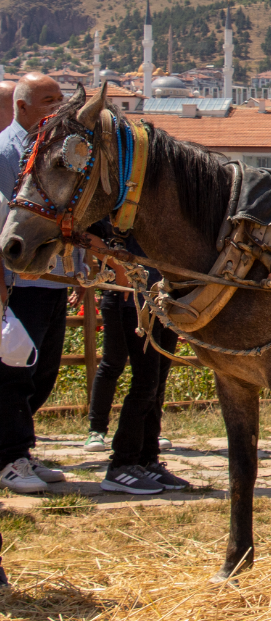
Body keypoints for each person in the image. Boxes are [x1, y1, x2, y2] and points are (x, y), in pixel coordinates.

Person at [0, 73, 71, 494]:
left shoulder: (50, 151)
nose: (57, 107)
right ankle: (9, 458)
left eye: (60, 99)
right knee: (12, 375)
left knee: (41, 372)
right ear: (22, 107)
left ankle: (21, 449)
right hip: (20, 283)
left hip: (52, 280)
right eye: (49, 100)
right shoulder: (5, 152)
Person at [83, 225, 188, 494]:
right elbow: (83, 233)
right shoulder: (122, 196)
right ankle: (121, 465)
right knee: (145, 384)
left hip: (165, 299)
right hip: (134, 302)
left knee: (157, 386)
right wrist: (119, 271)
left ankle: (147, 459)